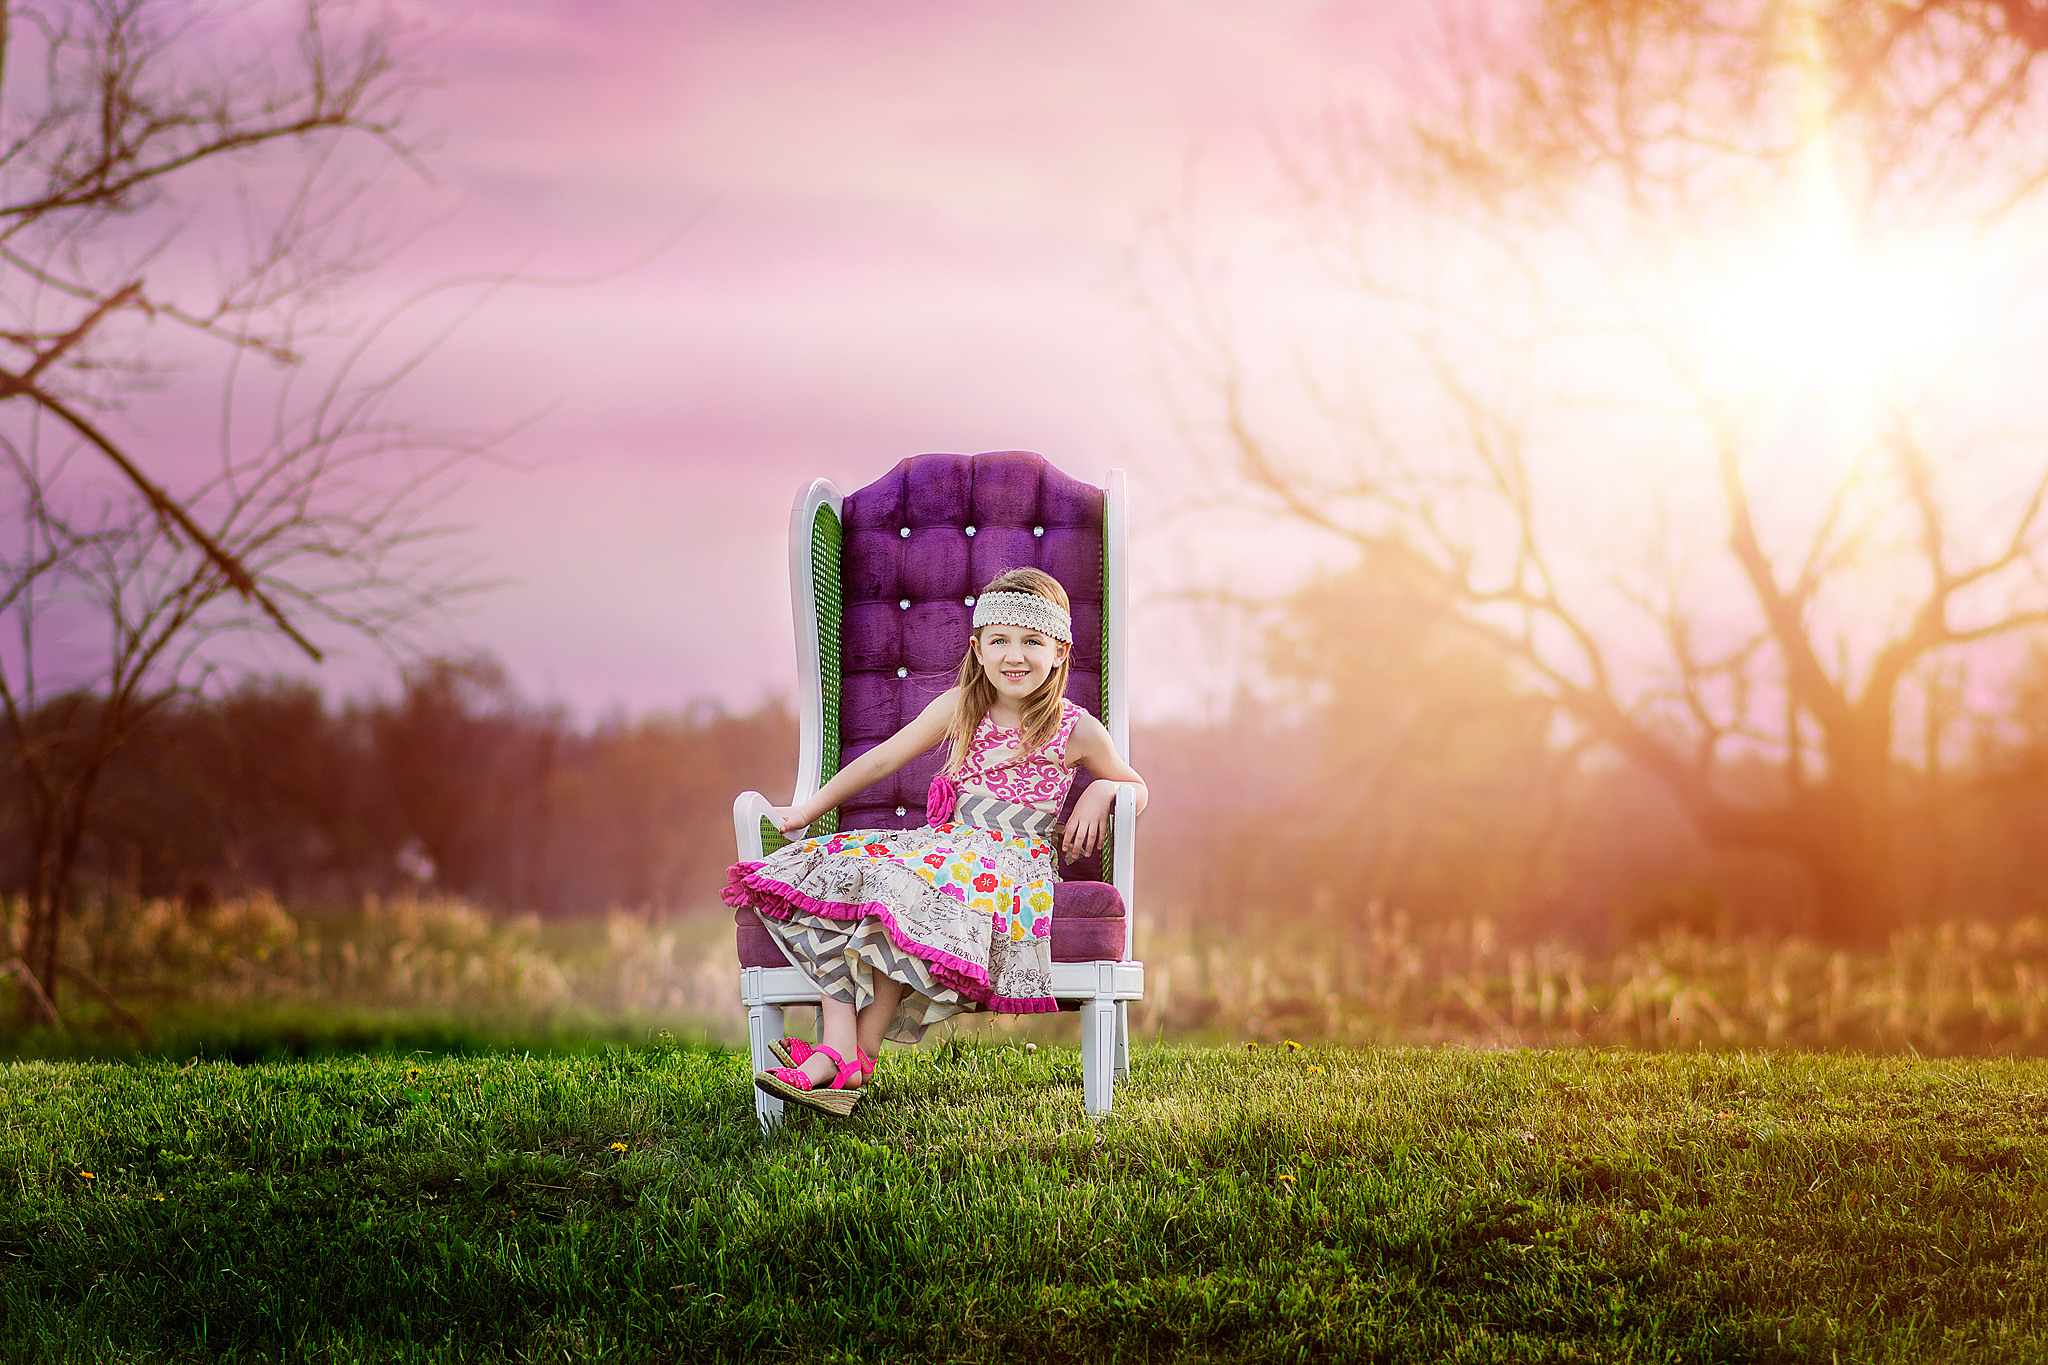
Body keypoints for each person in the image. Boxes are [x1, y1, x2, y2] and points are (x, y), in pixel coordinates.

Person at [722, 566, 1148, 1115]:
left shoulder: (1076, 728)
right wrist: (806, 809)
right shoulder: (960, 708)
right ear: (978, 646)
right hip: (947, 847)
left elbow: (1138, 790)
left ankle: (843, 1058)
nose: (1014, 655)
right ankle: (843, 1050)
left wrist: (1104, 789)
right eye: (999, 641)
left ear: (1060, 651)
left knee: (900, 887)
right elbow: (881, 758)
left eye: (1031, 641)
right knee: (844, 871)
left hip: (1010, 865)